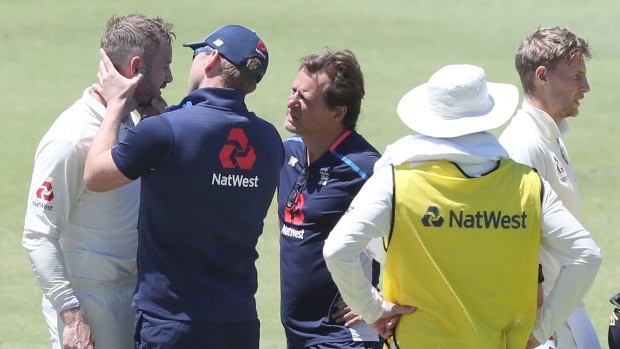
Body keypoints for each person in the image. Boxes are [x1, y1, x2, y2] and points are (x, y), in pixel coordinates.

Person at [323, 64, 602, 348]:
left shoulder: (394, 181)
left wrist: (372, 310)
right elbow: (587, 256)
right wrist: (541, 331)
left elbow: (338, 250)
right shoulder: (528, 185)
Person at [83, 24, 283, 349]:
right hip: (240, 323)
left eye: (196, 53)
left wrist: (116, 104)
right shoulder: (269, 140)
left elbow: (96, 175)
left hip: (173, 322)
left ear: (212, 59)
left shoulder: (166, 131)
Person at [21, 14, 174, 349]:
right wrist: (72, 317)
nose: (170, 78)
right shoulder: (71, 137)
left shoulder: (135, 124)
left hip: (134, 293)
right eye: (164, 67)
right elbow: (37, 235)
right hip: (90, 301)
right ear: (137, 68)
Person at [498, 26, 600, 349]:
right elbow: (518, 251)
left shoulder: (550, 136)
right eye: (576, 75)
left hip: (565, 318)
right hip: (545, 329)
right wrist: (539, 335)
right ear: (542, 76)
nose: (585, 86)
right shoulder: (523, 146)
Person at [278, 49, 382, 348]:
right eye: (293, 90)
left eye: (305, 99)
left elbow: (421, 239)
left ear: (338, 112)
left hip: (343, 337)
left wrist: (386, 295)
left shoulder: (366, 168)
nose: (291, 102)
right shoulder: (289, 153)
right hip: (297, 333)